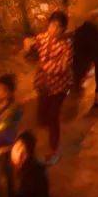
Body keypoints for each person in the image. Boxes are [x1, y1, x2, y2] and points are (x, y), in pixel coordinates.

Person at [25, 10, 73, 163]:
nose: (54, 29)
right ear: (48, 24)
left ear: (63, 29)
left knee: (53, 117)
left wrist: (44, 66)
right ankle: (46, 139)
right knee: (42, 117)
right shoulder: (42, 38)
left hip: (58, 88)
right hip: (43, 86)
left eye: (59, 27)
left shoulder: (66, 47)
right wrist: (27, 47)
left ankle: (54, 150)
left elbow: (63, 68)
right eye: (52, 25)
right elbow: (31, 55)